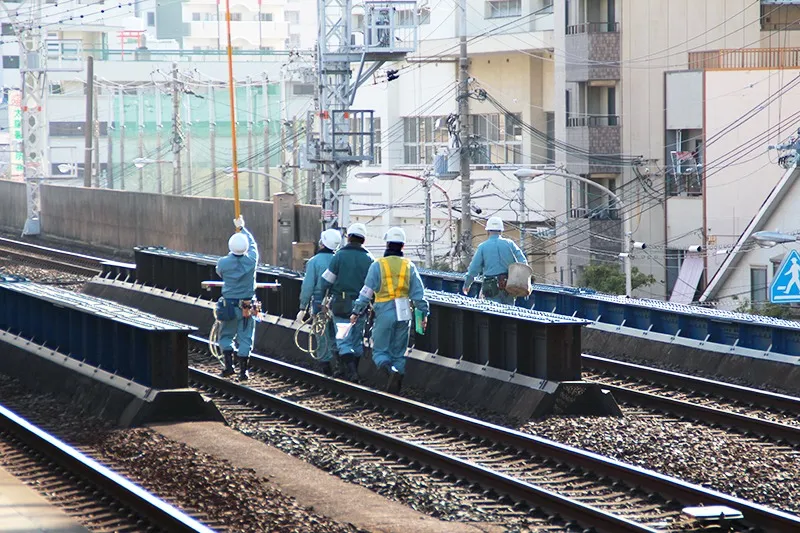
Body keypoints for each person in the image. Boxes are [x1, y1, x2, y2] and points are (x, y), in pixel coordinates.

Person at [351, 227, 428, 393]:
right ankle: (396, 386)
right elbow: (419, 295)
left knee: (380, 351)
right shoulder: (409, 266)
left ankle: (390, 372)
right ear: (403, 246)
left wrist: (356, 311)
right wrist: (423, 314)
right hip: (404, 312)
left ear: (387, 244)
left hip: (384, 311)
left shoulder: (378, 265)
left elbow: (367, 292)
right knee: (399, 352)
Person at [320, 223, 374, 382]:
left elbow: (326, 281)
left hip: (341, 305)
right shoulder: (370, 259)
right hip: (361, 307)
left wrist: (320, 298)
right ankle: (351, 372)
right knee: (357, 341)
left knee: (343, 340)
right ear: (363, 240)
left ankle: (350, 373)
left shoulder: (339, 256)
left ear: (349, 237)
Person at [215, 215, 259, 380]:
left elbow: (220, 272)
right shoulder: (252, 260)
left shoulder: (223, 263)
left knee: (226, 335)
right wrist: (243, 228)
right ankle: (244, 372)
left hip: (229, 305)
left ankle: (228, 366)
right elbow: (253, 245)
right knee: (246, 337)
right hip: (248, 305)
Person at [297, 228, 342, 375]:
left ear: (322, 243)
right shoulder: (339, 260)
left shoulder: (314, 261)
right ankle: (341, 367)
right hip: (338, 302)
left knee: (321, 335)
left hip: (318, 302)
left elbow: (308, 286)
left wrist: (303, 307)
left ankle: (326, 367)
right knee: (338, 334)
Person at [462, 216, 528, 306]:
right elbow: (523, 262)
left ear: (488, 231)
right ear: (501, 231)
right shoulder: (510, 244)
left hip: (491, 287)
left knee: (492, 314)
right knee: (509, 313)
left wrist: (467, 284)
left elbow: (474, 268)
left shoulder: (482, 247)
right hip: (508, 286)